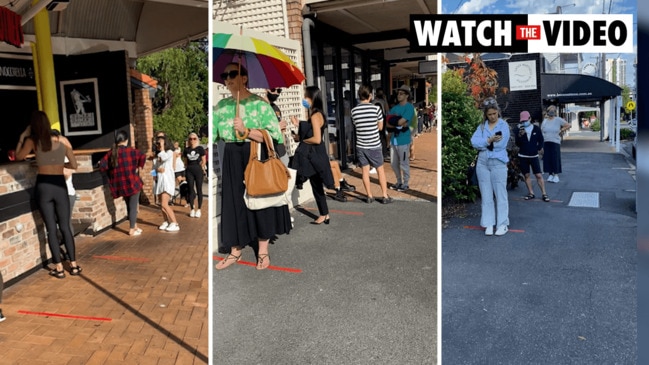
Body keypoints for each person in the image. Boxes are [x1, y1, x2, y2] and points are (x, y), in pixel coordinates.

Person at [213, 63, 291, 270]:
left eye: (232, 74)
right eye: (224, 75)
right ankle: (235, 250)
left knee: (259, 196)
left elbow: (272, 135)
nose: (227, 78)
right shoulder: (221, 106)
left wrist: (246, 130)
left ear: (244, 78)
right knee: (233, 200)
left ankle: (263, 251)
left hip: (254, 151)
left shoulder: (260, 105)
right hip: (231, 154)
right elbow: (213, 134)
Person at [15, 111, 81, 277]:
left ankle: (59, 268)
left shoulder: (33, 141)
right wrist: (59, 166)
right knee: (65, 226)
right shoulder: (63, 141)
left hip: (43, 185)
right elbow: (74, 165)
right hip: (59, 185)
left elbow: (18, 157)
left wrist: (23, 136)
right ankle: (73, 266)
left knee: (51, 229)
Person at [290, 85, 336, 223]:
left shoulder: (315, 116)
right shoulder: (317, 114)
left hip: (315, 154)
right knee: (316, 184)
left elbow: (316, 138)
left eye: (306, 96)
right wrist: (299, 128)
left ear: (312, 98)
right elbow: (312, 132)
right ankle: (324, 214)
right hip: (317, 153)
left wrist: (302, 139)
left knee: (316, 184)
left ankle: (324, 214)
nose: (304, 99)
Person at [470, 97, 510, 236]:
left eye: (494, 113)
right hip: (482, 163)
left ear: (498, 112)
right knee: (486, 195)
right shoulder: (482, 126)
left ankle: (502, 223)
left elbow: (501, 144)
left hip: (498, 162)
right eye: (489, 114)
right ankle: (488, 223)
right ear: (486, 115)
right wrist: (489, 140)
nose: (492, 116)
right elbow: (474, 142)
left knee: (500, 194)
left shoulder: (503, 125)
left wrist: (485, 143)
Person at [99, 130, 147, 236]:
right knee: (133, 206)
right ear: (126, 140)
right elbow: (143, 156)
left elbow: (102, 165)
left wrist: (111, 172)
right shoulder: (131, 151)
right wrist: (138, 167)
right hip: (132, 182)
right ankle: (131, 229)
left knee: (129, 205)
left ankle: (134, 226)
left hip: (120, 185)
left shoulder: (111, 153)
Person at [351, 84, 392, 204]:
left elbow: (356, 125)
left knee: (365, 171)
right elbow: (380, 127)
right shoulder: (376, 109)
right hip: (374, 144)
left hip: (361, 145)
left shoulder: (354, 111)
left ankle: (369, 196)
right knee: (380, 170)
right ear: (370, 95)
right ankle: (384, 195)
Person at [386, 84, 416, 192]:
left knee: (404, 162)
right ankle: (398, 182)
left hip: (404, 139)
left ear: (407, 95)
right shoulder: (395, 108)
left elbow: (400, 121)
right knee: (393, 163)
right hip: (394, 139)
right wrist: (398, 123)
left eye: (401, 93)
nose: (399, 95)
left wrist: (396, 121)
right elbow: (388, 123)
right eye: (398, 93)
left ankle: (406, 183)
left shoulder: (409, 107)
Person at [515, 111, 549, 202]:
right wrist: (520, 135)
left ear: (530, 119)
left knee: (538, 175)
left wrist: (539, 147)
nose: (524, 122)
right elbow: (517, 143)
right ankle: (531, 193)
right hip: (523, 155)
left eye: (526, 120)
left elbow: (541, 139)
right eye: (522, 121)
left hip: (534, 155)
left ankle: (544, 193)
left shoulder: (536, 129)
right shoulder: (519, 129)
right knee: (526, 175)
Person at [154, 134, 180, 232]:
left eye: (161, 142)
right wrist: (156, 171)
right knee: (161, 204)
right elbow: (154, 168)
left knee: (165, 204)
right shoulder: (158, 155)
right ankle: (166, 221)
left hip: (167, 181)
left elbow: (164, 157)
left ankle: (175, 223)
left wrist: (161, 148)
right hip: (160, 181)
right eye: (158, 142)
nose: (159, 144)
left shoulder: (169, 152)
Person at [541, 105, 570, 183]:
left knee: (555, 158)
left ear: (555, 112)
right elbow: (542, 130)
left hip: (555, 141)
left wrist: (561, 130)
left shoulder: (558, 120)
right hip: (546, 141)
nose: (551, 112)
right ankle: (550, 174)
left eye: (553, 110)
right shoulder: (545, 121)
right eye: (550, 110)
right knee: (548, 158)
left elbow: (568, 125)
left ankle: (556, 175)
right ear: (548, 112)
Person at [183, 132, 206, 218]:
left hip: (198, 170)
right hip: (189, 170)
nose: (192, 140)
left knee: (199, 189)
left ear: (197, 139)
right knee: (190, 189)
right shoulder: (186, 150)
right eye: (190, 139)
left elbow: (204, 160)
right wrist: (187, 169)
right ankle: (192, 208)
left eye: (194, 138)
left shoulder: (200, 149)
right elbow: (185, 162)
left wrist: (201, 167)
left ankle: (199, 209)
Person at [374, 87, 390, 160]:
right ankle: (381, 153)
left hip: (381, 119)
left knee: (382, 136)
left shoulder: (382, 101)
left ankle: (384, 153)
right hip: (376, 119)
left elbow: (387, 109)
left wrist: (385, 100)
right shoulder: (374, 101)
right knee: (379, 136)